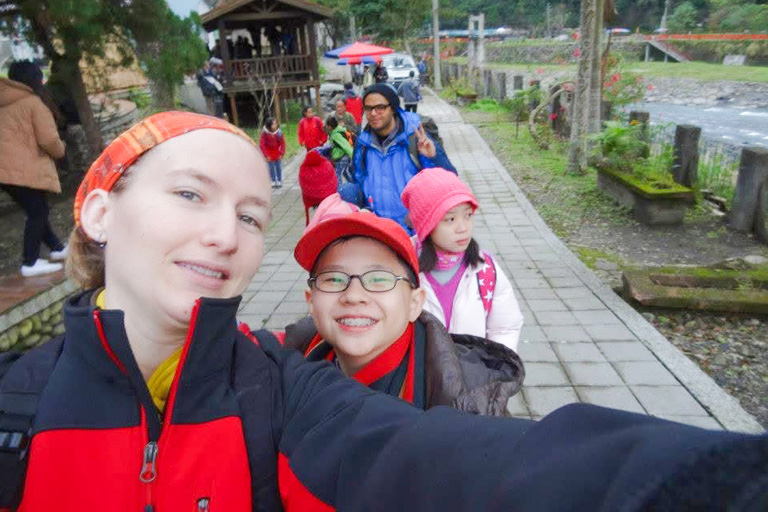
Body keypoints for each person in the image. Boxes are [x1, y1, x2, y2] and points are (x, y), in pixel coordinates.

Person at [2, 112, 768, 512]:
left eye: (249, 215)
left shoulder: (278, 388)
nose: (225, 235)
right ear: (98, 211)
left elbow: (449, 462)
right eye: (190, 194)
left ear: (415, 294)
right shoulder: (15, 409)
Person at [284, 194, 524, 414]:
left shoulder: (470, 401)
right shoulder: (288, 362)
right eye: (334, 279)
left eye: (379, 279)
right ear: (311, 301)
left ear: (414, 303)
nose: (354, 295)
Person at [401, 168, 524, 351]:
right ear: (425, 225)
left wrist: (494, 364)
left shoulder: (485, 269)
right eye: (450, 219)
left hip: (475, 367)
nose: (463, 228)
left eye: (468, 216)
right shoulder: (402, 267)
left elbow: (505, 328)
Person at [350, 83, 453, 232]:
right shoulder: (363, 144)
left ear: (393, 108)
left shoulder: (416, 138)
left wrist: (434, 158)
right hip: (378, 232)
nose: (373, 113)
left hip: (414, 233)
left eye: (380, 107)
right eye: (368, 108)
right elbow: (357, 179)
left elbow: (450, 180)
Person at [0, 60, 67, 277]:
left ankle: (57, 248)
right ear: (34, 79)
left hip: (5, 170)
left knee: (36, 209)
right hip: (22, 167)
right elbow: (48, 140)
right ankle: (30, 262)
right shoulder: (32, 102)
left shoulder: (4, 100)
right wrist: (61, 150)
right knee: (38, 211)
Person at [324, 116, 354, 183]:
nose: (326, 126)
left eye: (327, 125)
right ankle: (353, 183)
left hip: (342, 157)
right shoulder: (335, 131)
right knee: (345, 172)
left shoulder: (336, 135)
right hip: (343, 156)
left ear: (330, 127)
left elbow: (346, 146)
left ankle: (339, 187)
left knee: (337, 174)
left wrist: (353, 156)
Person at [258, 117, 286, 189]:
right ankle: (273, 180)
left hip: (277, 153)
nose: (275, 125)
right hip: (269, 154)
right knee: (271, 168)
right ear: (269, 125)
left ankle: (279, 180)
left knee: (278, 167)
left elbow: (283, 143)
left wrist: (281, 153)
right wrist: (266, 155)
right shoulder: (264, 133)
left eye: (276, 123)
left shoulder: (279, 133)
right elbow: (262, 145)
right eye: (273, 124)